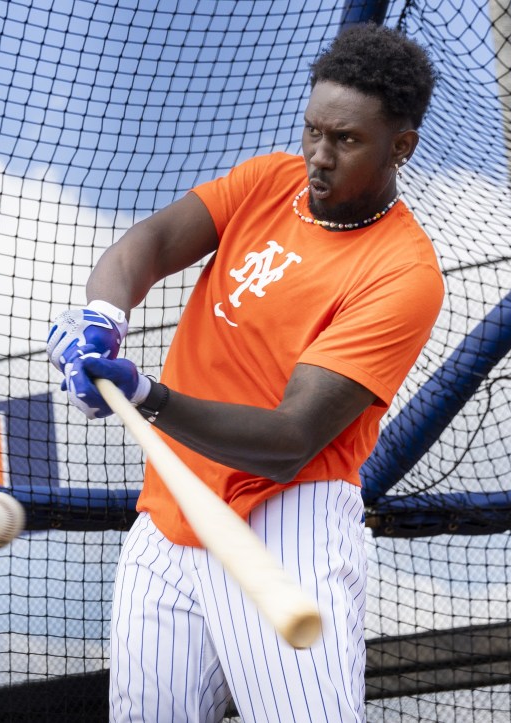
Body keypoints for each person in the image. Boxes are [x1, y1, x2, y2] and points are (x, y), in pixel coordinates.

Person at [47, 22, 441, 723]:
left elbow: (291, 437)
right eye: (313, 131)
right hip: (170, 513)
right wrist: (105, 313)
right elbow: (152, 240)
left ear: (400, 147)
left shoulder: (402, 272)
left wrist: (149, 395)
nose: (319, 157)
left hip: (286, 517)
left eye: (346, 141)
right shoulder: (270, 181)